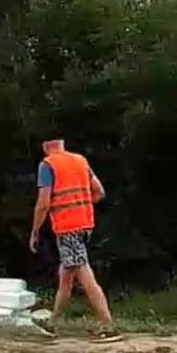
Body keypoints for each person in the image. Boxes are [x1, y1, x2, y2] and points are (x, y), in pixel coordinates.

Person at [28, 138, 122, 342]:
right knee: (66, 276)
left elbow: (43, 203)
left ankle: (108, 325)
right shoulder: (80, 160)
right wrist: (80, 205)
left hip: (67, 227)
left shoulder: (48, 165)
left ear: (45, 146)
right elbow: (99, 191)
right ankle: (52, 322)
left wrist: (35, 230)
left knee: (85, 275)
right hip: (85, 225)